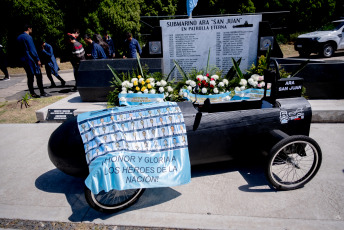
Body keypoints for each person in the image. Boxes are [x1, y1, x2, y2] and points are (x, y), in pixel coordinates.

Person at [16, 24, 50, 98]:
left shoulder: (19, 37)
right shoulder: (28, 37)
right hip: (31, 59)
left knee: (30, 76)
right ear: (29, 28)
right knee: (38, 75)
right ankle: (42, 92)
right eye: (31, 28)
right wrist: (37, 59)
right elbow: (32, 49)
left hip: (23, 59)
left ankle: (32, 93)